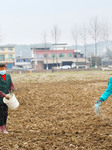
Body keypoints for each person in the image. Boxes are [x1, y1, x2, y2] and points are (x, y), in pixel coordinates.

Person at [0, 64, 14, 134]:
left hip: (7, 99)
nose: (2, 70)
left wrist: (11, 90)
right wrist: (4, 95)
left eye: (3, 68)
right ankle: (1, 128)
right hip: (0, 98)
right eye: (1, 69)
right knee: (0, 114)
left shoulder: (8, 76)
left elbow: (11, 84)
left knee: (5, 113)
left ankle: (4, 128)